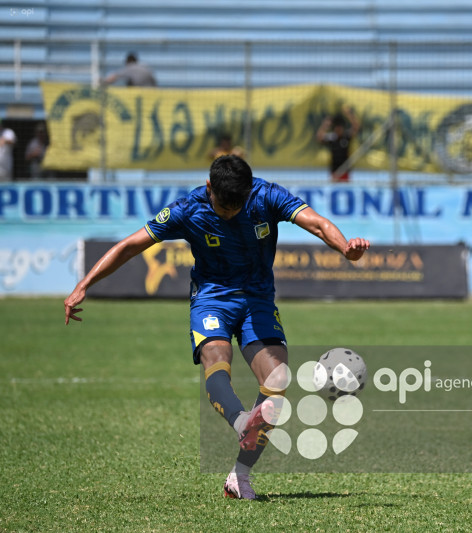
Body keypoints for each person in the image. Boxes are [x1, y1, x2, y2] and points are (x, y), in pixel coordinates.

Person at [64, 155, 370, 500]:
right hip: (212, 299)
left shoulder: (267, 196)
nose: (230, 212)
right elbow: (130, 246)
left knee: (278, 380)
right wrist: (84, 284)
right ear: (209, 188)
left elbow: (316, 223)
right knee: (216, 355)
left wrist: (345, 247)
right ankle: (241, 421)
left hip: (258, 300)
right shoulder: (187, 209)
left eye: (236, 206)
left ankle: (240, 477)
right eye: (224, 206)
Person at [316, 106, 360, 182]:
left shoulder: (346, 136)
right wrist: (325, 125)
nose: (339, 130)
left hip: (345, 170)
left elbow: (356, 127)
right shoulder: (332, 137)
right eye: (337, 128)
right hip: (334, 172)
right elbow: (319, 137)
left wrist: (349, 115)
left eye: (340, 128)